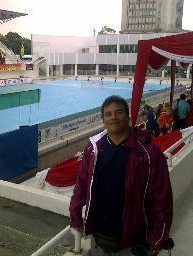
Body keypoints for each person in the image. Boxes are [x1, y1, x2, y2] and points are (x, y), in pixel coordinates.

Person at [70, 95, 173, 256]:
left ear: (128, 116)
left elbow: (162, 199)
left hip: (135, 241)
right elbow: (81, 186)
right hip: (98, 236)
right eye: (108, 114)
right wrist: (75, 218)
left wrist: (157, 238)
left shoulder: (148, 153)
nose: (114, 118)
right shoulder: (93, 150)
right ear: (103, 120)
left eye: (119, 112)